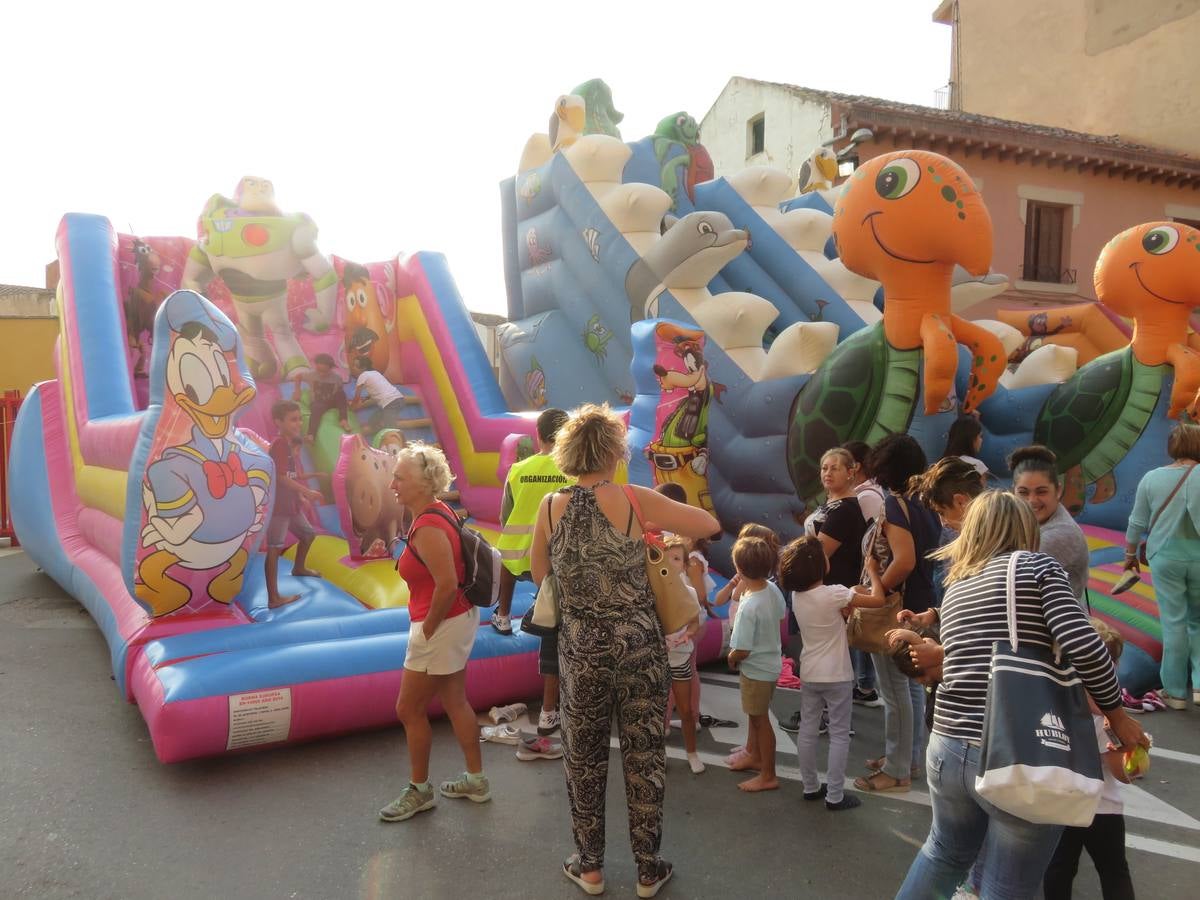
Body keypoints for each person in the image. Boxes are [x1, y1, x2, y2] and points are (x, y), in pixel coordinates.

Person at [894, 491, 1148, 900]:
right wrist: (1118, 716)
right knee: (1008, 885)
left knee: (943, 854)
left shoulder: (958, 585)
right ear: (1025, 530)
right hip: (1014, 746)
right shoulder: (1036, 567)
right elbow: (1084, 644)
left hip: (947, 743)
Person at [528, 404, 718, 897]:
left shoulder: (550, 506)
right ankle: (648, 868)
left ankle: (589, 866)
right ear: (615, 453)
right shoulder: (635, 500)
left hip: (582, 652)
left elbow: (539, 577)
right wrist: (651, 537)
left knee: (584, 757)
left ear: (568, 451)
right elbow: (707, 523)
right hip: (639, 647)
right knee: (645, 756)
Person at [379, 444, 487, 823]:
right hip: (454, 619)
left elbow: (445, 583)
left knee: (408, 708)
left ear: (424, 484)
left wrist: (426, 630)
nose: (392, 483)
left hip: (441, 622)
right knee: (455, 699)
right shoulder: (435, 511)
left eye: (399, 477)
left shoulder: (426, 526)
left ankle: (419, 790)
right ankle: (476, 779)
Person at [855, 434, 941, 794]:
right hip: (920, 603)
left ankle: (897, 769)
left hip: (896, 609)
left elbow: (902, 562)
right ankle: (910, 757)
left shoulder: (894, 506)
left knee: (894, 690)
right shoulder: (923, 504)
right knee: (911, 685)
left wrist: (878, 587)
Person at [779, 536, 887, 811]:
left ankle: (810, 786)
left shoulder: (797, 595)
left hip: (810, 671)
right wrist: (873, 572)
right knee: (839, 734)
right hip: (837, 674)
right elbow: (877, 599)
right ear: (818, 565)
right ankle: (835, 795)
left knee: (808, 730)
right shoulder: (835, 593)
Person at [1042, 618, 1136, 900]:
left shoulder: (1050, 701)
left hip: (1059, 804)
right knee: (1114, 872)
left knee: (1058, 870)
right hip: (1102, 806)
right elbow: (1122, 773)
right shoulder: (1110, 714)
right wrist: (1133, 750)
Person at [1123, 423, 1200, 709]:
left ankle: (1175, 691)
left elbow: (1137, 522)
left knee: (1174, 623)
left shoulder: (1152, 478)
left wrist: (1130, 553)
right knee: (1198, 622)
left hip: (1166, 558)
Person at [726, 535, 786, 793]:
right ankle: (755, 756)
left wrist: (731, 658)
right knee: (757, 717)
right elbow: (782, 613)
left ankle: (768, 774)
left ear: (739, 569)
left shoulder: (749, 605)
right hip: (771, 664)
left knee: (761, 721)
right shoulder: (771, 589)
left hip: (756, 670)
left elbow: (741, 648)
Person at [1009, 445, 1090, 605]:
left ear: (1058, 491)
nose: (1032, 500)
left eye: (1041, 492)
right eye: (1024, 492)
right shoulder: (1023, 525)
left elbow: (1012, 582)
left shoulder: (1061, 534)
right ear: (1013, 493)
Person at [265, 401, 324, 608]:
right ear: (278, 422)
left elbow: (289, 476)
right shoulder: (280, 444)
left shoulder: (289, 446)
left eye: (299, 419)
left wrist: (299, 496)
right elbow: (281, 477)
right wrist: (306, 491)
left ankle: (299, 568)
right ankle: (274, 598)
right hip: (279, 508)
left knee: (308, 535)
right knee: (274, 548)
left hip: (290, 505)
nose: (298, 423)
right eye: (293, 419)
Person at [843, 440, 884, 706]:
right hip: (861, 571)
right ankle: (863, 684)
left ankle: (865, 684)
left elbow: (866, 537)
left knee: (860, 626)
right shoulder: (866, 492)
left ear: (856, 466)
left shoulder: (866, 496)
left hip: (861, 571)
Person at [663, 535, 706, 774]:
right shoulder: (653, 592)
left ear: (685, 564)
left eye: (677, 558)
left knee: (686, 710)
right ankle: (659, 753)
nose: (672, 563)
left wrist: (688, 634)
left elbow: (694, 622)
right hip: (657, 660)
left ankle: (692, 752)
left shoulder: (689, 592)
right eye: (667, 558)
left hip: (680, 656)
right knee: (657, 710)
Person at [292, 353, 349, 443]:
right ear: (315, 367)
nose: (321, 374)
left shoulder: (337, 378)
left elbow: (340, 392)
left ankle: (343, 420)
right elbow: (297, 377)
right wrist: (297, 391)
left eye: (325, 371)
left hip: (331, 401)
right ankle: (311, 434)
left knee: (341, 394)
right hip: (319, 402)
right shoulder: (311, 375)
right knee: (316, 410)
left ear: (331, 368)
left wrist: (342, 402)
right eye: (319, 370)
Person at [350, 358, 407, 440]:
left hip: (390, 402)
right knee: (373, 421)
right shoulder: (375, 373)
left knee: (391, 428)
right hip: (398, 399)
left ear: (363, 368)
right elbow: (378, 388)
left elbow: (356, 397)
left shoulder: (363, 375)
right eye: (353, 365)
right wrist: (366, 398)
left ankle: (397, 446)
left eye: (356, 366)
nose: (353, 367)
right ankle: (383, 439)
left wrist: (351, 408)